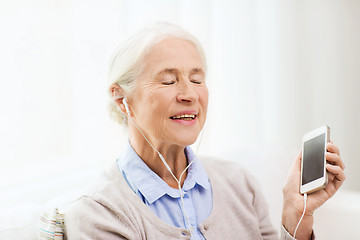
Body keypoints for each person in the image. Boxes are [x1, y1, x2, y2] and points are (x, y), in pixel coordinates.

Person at [39, 22, 345, 240]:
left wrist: (296, 216)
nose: (189, 94)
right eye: (169, 81)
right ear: (122, 99)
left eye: (197, 79)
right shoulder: (99, 214)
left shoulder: (240, 184)